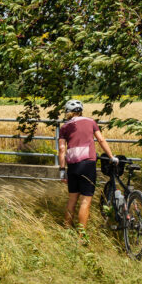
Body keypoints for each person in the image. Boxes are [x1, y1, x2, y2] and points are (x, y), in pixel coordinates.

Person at [58, 99, 116, 230]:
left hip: (73, 166)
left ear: (68, 112)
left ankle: (67, 230)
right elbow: (101, 139)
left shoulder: (64, 127)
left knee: (72, 200)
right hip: (88, 164)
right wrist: (111, 157)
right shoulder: (91, 122)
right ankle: (81, 235)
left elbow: (62, 149)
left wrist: (62, 170)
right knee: (85, 201)